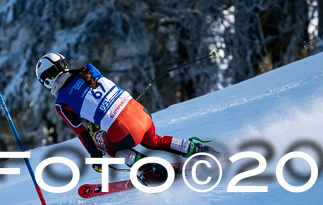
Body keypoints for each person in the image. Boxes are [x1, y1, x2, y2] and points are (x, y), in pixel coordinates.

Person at [35, 52, 212, 180]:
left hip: (124, 130)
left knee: (98, 140)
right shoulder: (88, 69)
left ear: (48, 80)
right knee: (153, 140)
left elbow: (83, 133)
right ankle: (195, 148)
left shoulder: (61, 102)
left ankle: (147, 168)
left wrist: (96, 158)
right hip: (143, 115)